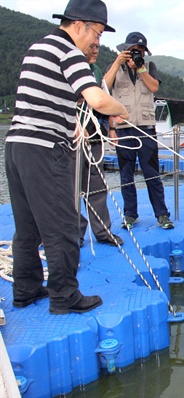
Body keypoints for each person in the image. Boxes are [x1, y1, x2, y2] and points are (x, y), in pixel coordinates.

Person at [5, 0, 128, 314]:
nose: (97, 42)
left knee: (28, 227)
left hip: (17, 146)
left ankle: (27, 289)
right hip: (45, 151)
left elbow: (42, 98)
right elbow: (97, 98)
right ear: (79, 25)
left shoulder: (38, 48)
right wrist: (122, 110)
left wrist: (71, 122)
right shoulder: (70, 52)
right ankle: (65, 296)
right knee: (62, 224)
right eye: (97, 34)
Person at [104, 32, 174, 230]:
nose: (137, 54)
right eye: (134, 50)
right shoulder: (115, 67)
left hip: (146, 128)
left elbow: (153, 88)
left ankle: (162, 215)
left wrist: (141, 68)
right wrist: (117, 63)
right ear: (125, 50)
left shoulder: (149, 67)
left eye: (141, 51)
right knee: (126, 175)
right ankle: (130, 215)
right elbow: (104, 88)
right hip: (124, 129)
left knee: (152, 174)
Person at [74, 43, 124, 247]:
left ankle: (103, 232)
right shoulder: (69, 67)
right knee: (71, 188)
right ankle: (74, 233)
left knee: (97, 186)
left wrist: (112, 128)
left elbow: (103, 99)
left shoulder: (94, 71)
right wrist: (74, 123)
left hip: (94, 138)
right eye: (91, 46)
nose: (96, 50)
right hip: (72, 141)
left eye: (98, 46)